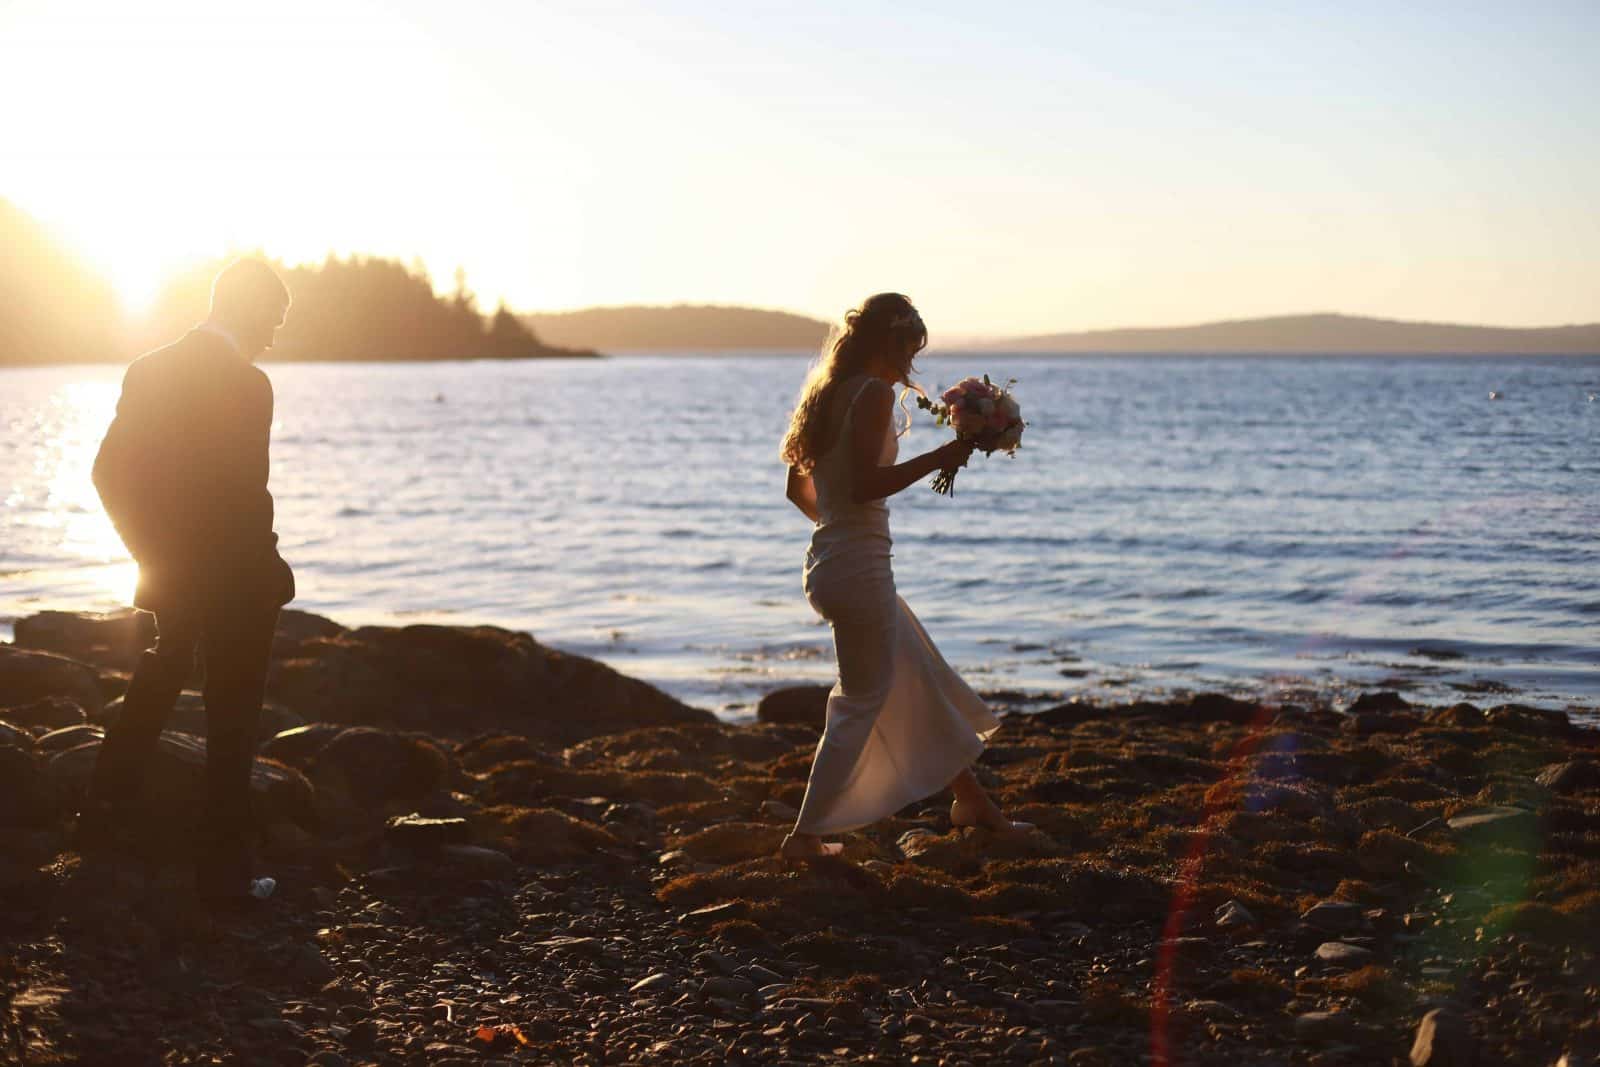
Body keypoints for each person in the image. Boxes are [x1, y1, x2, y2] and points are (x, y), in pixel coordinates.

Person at [777, 293, 1031, 862]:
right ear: (887, 345)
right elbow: (867, 485)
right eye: (909, 349)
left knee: (917, 673)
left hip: (832, 563)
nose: (911, 364)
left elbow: (800, 490)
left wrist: (842, 526)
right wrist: (944, 455)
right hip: (859, 569)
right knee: (861, 700)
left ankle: (974, 805)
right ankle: (804, 838)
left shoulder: (826, 393)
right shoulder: (871, 395)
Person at [78, 258, 295, 907]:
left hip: (177, 576)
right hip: (237, 582)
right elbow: (244, 500)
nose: (275, 336)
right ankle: (223, 878)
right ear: (248, 309)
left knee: (159, 678)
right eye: (274, 320)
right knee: (232, 726)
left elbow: (107, 473)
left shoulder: (149, 368)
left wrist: (154, 561)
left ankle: (96, 828)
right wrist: (270, 571)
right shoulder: (250, 385)